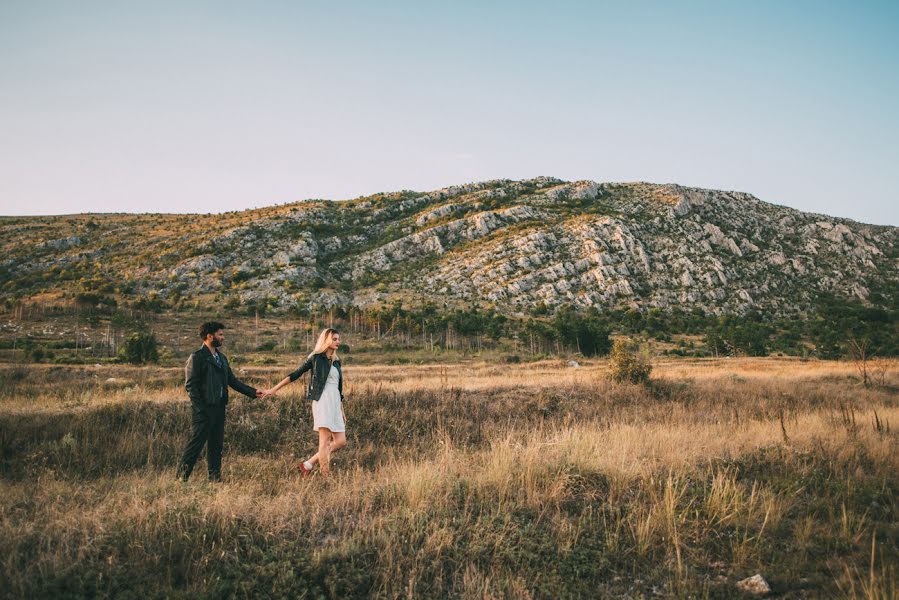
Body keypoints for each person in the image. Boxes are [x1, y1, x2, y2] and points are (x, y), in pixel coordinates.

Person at [176, 321, 263, 482]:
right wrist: (201, 409)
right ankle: (181, 479)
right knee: (195, 446)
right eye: (220, 334)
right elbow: (191, 386)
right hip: (203, 410)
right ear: (210, 336)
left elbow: (233, 381)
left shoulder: (222, 358)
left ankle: (215, 480)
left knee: (216, 447)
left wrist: (253, 392)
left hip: (219, 408)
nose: (223, 338)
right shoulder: (197, 357)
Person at [261, 328, 346, 477]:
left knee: (340, 441)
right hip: (323, 400)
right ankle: (325, 476)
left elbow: (338, 388)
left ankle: (308, 464)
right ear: (326, 340)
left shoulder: (336, 362)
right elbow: (295, 374)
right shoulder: (316, 358)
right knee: (325, 441)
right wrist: (273, 389)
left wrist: (341, 409)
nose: (338, 341)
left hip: (335, 402)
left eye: (338, 339)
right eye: (335, 339)